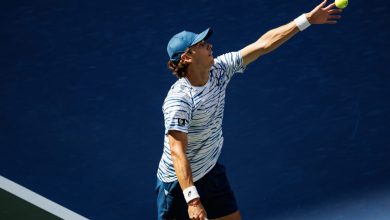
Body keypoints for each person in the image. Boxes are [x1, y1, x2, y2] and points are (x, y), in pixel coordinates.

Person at [156, 0, 342, 219]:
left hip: (210, 170)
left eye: (206, 41)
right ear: (187, 57)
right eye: (201, 44)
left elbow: (263, 44)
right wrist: (193, 199)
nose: (209, 45)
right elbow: (178, 152)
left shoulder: (220, 69)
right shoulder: (179, 99)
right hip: (178, 185)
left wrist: (306, 20)